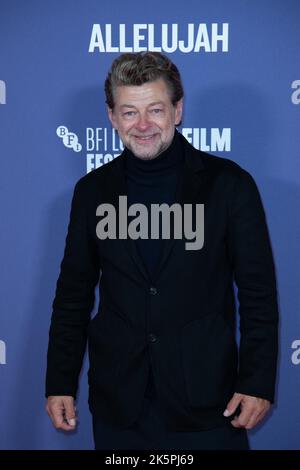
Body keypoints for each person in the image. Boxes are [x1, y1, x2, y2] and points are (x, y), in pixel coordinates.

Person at [45, 52, 279, 450]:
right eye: (129, 112)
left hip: (209, 403)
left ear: (178, 109)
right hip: (120, 404)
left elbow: (258, 294)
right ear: (112, 117)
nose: (143, 125)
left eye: (155, 109)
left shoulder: (229, 185)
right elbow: (73, 295)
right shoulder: (92, 193)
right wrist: (59, 382)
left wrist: (256, 382)